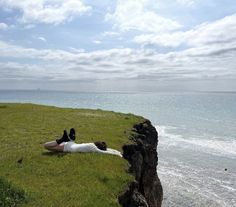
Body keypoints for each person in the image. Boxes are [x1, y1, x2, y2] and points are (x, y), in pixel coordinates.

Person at [43, 128, 122, 157]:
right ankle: (62, 139)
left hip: (72, 144)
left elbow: (107, 150)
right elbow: (105, 152)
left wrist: (117, 151)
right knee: (46, 146)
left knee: (47, 146)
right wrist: (118, 154)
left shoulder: (91, 144)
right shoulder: (93, 148)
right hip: (70, 148)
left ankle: (68, 139)